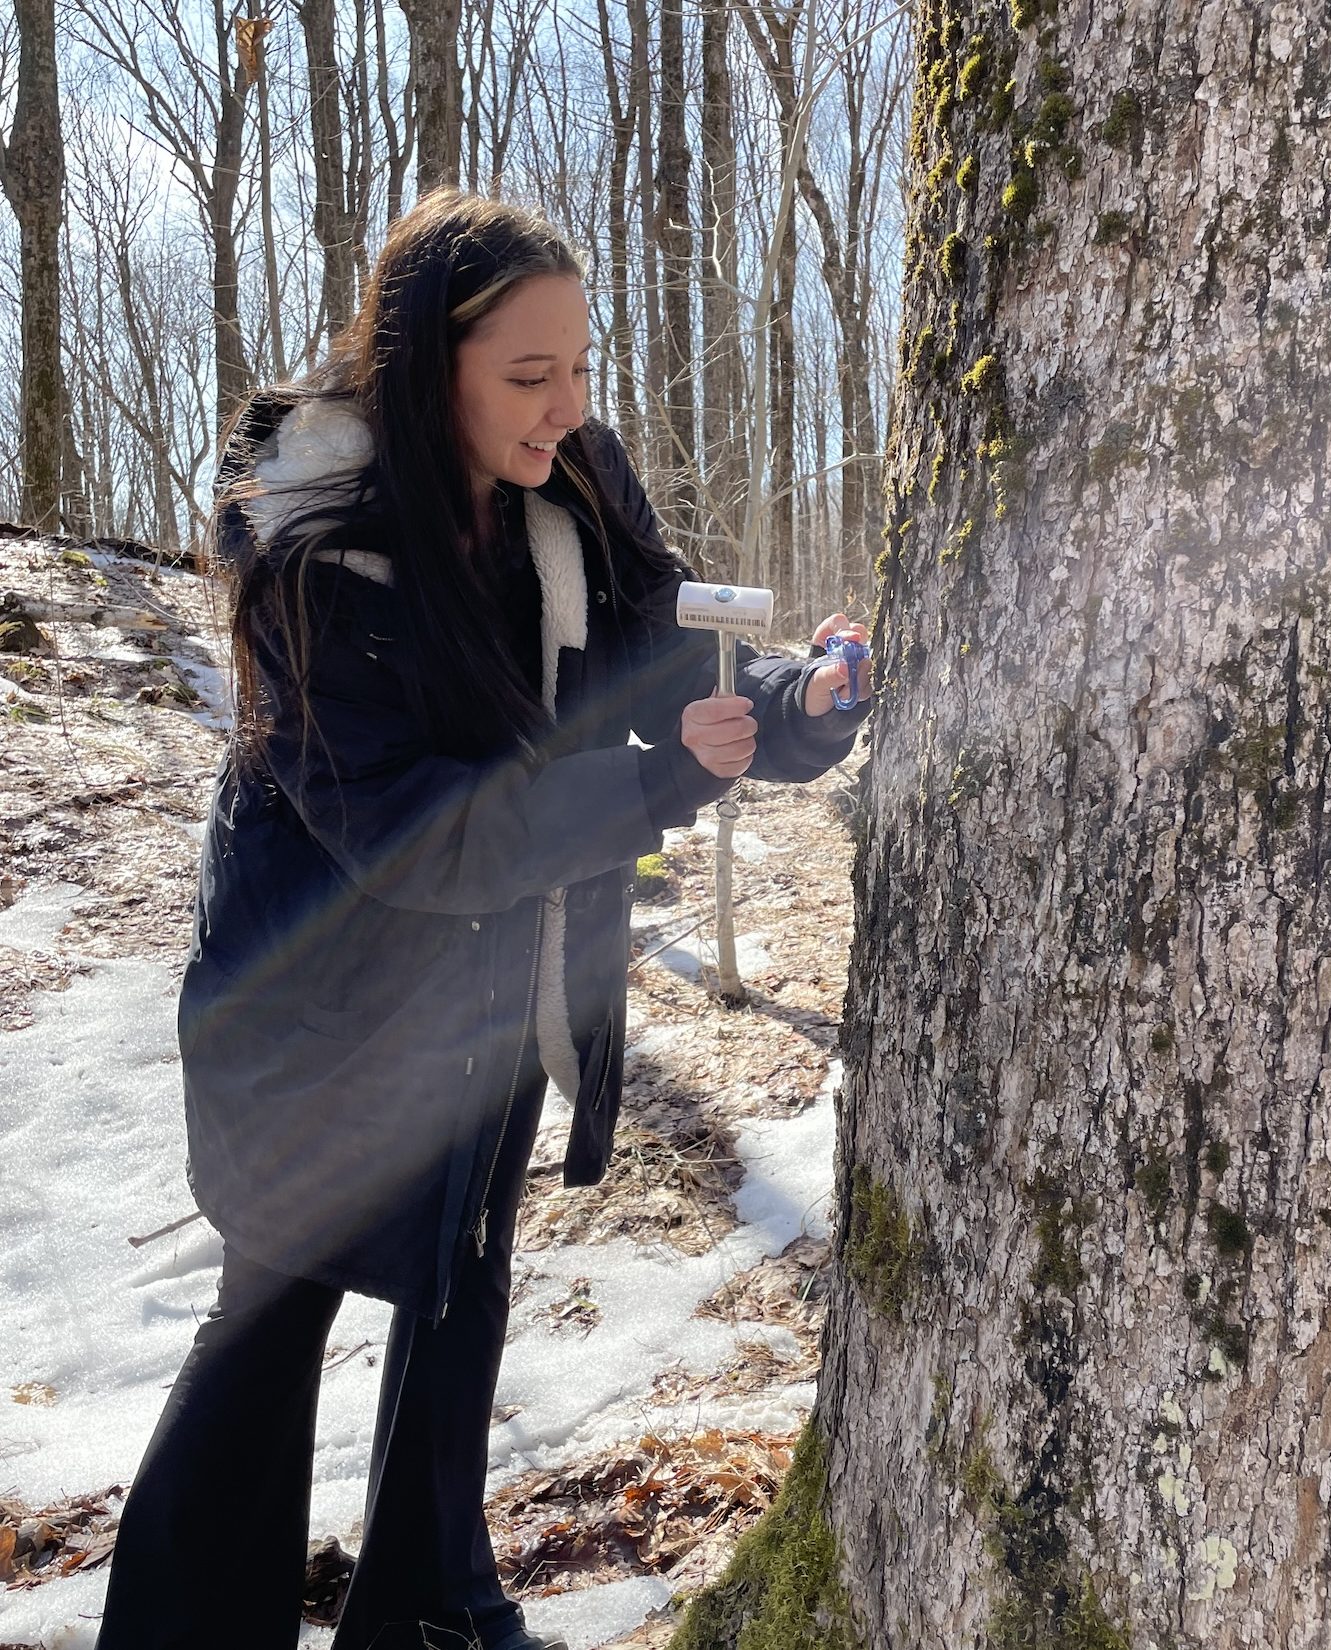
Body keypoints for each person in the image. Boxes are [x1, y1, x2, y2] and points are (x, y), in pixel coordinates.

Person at [93, 188, 873, 1650]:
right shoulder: (317, 547)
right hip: (315, 1013)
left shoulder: (569, 478)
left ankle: (428, 1607)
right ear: (418, 370)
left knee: (459, 1288)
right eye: (529, 376)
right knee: (272, 1326)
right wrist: (647, 788)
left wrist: (793, 702)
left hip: (489, 987)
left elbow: (663, 657)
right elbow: (412, 836)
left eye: (580, 369)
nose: (567, 409)